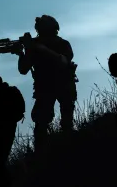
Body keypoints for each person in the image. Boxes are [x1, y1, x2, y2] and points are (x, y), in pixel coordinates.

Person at [15, 15, 78, 149]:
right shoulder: (34, 46)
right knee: (41, 123)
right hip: (44, 87)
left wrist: (41, 49)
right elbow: (23, 69)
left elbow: (64, 61)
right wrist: (23, 52)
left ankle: (69, 148)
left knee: (66, 121)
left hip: (63, 83)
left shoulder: (62, 44)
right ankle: (42, 153)